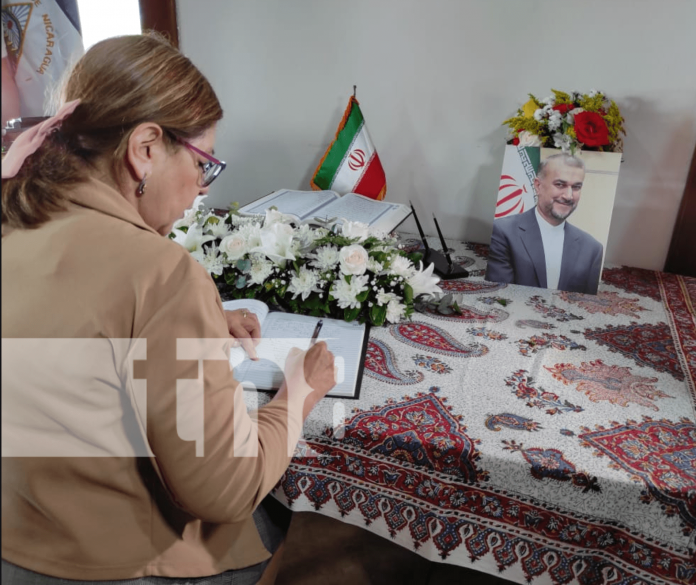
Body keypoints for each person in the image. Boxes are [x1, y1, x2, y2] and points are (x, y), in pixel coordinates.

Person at [1, 34, 336, 585]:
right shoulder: (161, 274)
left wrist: (193, 323)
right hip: (113, 564)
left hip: (18, 536)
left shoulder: (16, 217)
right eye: (204, 164)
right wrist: (298, 392)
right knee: (278, 509)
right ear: (146, 148)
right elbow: (223, 490)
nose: (202, 191)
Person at [485, 153, 603, 295]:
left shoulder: (592, 249)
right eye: (560, 184)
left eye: (576, 187)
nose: (568, 195)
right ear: (538, 185)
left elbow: (586, 304)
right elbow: (498, 294)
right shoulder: (503, 231)